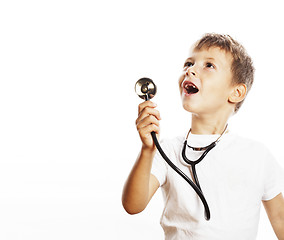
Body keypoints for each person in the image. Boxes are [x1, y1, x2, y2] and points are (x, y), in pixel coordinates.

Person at [122, 33, 284, 239]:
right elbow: (133, 205)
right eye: (188, 63)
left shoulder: (257, 156)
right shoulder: (166, 151)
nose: (190, 69)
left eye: (209, 65)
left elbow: (280, 219)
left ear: (236, 92)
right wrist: (147, 150)